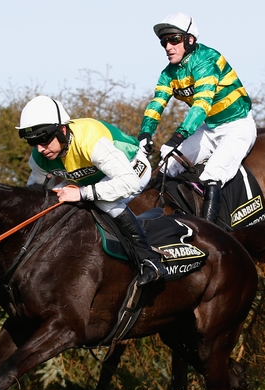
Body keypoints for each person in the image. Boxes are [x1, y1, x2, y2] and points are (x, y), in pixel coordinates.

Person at [17, 95, 166, 286]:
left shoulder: (90, 141)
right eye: (33, 142)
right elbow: (33, 197)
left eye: (44, 140)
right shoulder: (41, 156)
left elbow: (129, 182)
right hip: (95, 179)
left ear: (62, 129)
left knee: (103, 200)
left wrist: (82, 193)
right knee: (53, 197)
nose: (40, 149)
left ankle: (149, 261)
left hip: (132, 168)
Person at [138, 12, 257, 223]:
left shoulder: (207, 60)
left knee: (212, 175)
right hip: (209, 129)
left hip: (237, 126)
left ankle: (213, 233)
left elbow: (201, 105)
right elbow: (157, 103)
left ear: (190, 40)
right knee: (167, 167)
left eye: (174, 39)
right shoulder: (168, 73)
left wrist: (176, 138)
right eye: (164, 41)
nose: (168, 46)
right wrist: (145, 133)